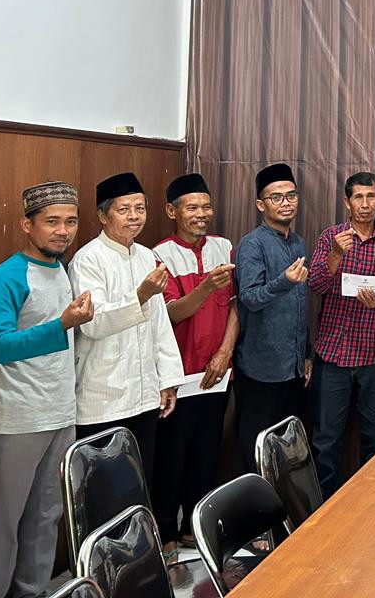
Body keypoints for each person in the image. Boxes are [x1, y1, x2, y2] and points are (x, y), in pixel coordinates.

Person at [0, 181, 93, 598]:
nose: (63, 231)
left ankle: (34, 592)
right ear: (27, 224)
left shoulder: (61, 268)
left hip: (60, 413)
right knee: (4, 523)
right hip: (18, 419)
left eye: (71, 222)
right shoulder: (4, 278)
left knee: (46, 517)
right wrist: (60, 325)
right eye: (52, 222)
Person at [69, 172, 185, 478]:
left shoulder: (147, 256)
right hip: (103, 398)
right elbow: (92, 323)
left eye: (140, 208)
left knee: (139, 481)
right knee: (105, 487)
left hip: (145, 396)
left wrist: (168, 379)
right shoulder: (88, 259)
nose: (134, 216)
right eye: (124, 209)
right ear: (102, 216)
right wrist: (141, 295)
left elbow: (160, 323)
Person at [152, 173, 237, 557]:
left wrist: (225, 352)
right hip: (178, 376)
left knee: (206, 453)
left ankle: (194, 528)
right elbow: (170, 314)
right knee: (172, 455)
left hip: (217, 371)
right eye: (192, 207)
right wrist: (204, 287)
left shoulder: (223, 246)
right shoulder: (160, 255)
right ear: (172, 211)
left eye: (206, 206)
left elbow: (235, 306)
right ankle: (166, 530)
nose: (201, 213)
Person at [306, 171, 375, 497]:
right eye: (358, 197)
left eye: (371, 196)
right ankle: (322, 512)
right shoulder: (331, 237)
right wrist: (335, 254)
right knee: (326, 441)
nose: (365, 204)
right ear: (347, 202)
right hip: (334, 355)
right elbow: (315, 285)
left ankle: (371, 507)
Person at [234, 162, 310, 473]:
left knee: (286, 452)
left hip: (292, 368)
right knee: (256, 451)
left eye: (291, 195)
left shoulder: (298, 242)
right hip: (261, 368)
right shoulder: (252, 244)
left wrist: (306, 354)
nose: (285, 203)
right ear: (260, 204)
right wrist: (284, 281)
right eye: (276, 197)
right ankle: (253, 503)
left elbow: (301, 305)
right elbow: (250, 298)